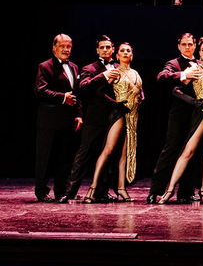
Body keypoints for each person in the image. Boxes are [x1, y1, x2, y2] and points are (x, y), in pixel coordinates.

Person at [158, 38, 203, 204]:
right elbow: (177, 90)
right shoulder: (194, 69)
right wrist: (195, 103)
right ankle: (169, 189)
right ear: (200, 53)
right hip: (201, 112)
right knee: (188, 150)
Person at [60, 36, 121, 203]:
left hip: (115, 118)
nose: (106, 50)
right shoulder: (90, 68)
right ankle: (70, 191)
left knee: (108, 155)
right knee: (84, 154)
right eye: (102, 47)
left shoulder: (118, 67)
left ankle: (102, 191)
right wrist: (104, 76)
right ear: (97, 50)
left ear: (113, 49)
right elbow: (84, 87)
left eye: (108, 47)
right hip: (95, 118)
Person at [146, 33, 203, 204]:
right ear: (179, 46)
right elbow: (161, 77)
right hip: (179, 113)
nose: (187, 47)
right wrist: (183, 74)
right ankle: (155, 191)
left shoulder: (201, 64)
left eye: (190, 44)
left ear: (195, 46)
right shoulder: (174, 63)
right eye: (184, 44)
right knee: (170, 150)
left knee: (193, 152)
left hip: (198, 113)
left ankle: (186, 191)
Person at [83, 42, 143, 203]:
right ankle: (92, 189)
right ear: (117, 55)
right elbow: (99, 92)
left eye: (128, 51)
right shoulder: (114, 72)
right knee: (108, 150)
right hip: (119, 114)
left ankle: (121, 188)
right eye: (122, 51)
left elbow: (139, 92)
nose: (125, 53)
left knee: (124, 153)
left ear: (132, 54)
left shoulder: (136, 73)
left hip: (132, 116)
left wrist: (140, 98)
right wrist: (116, 104)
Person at [33, 34, 82, 202]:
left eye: (68, 46)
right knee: (45, 158)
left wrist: (78, 115)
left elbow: (77, 94)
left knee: (64, 158)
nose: (66, 49)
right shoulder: (45, 66)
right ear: (54, 47)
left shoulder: (74, 67)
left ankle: (61, 192)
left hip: (68, 119)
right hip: (49, 120)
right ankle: (41, 191)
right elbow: (40, 90)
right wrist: (63, 97)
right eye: (62, 46)